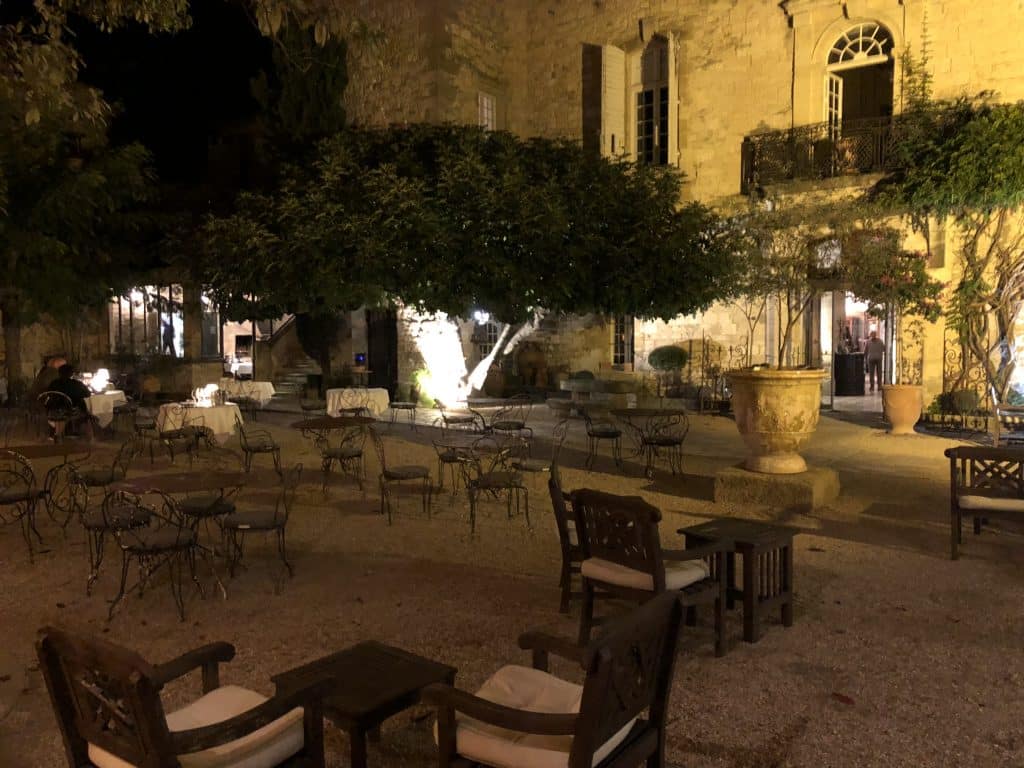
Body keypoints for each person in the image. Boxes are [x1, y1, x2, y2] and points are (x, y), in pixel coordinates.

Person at [48, 364, 95, 441]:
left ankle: (58, 434)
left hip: (54, 411)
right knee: (85, 412)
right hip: (71, 411)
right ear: (71, 373)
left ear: (59, 373)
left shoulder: (54, 383)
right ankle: (90, 437)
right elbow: (87, 394)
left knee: (61, 412)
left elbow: (49, 394)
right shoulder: (76, 384)